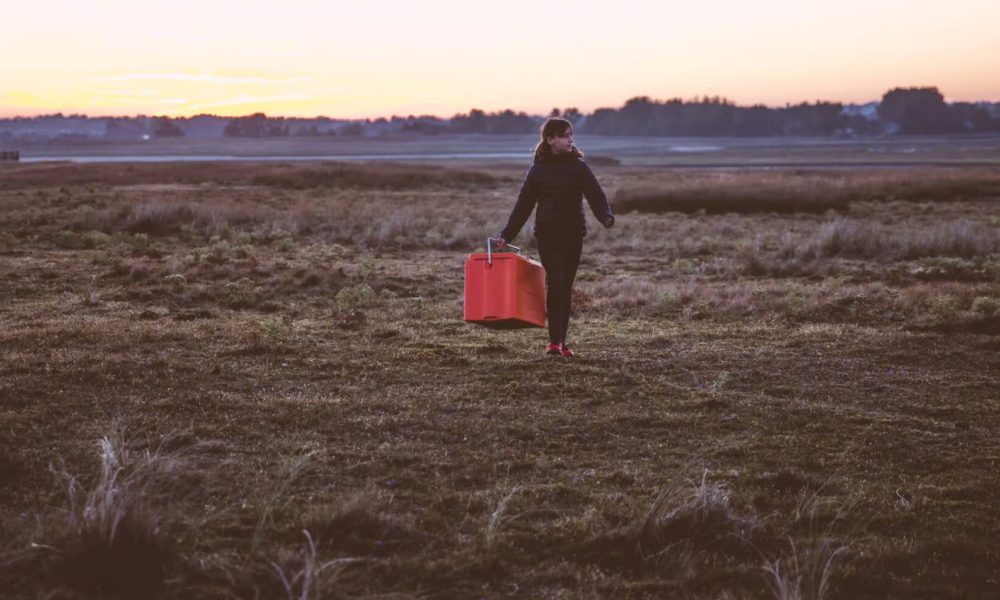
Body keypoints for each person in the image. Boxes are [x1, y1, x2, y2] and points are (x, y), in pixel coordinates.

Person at [495, 117, 614, 357]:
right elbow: (523, 205)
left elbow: (596, 194)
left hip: (573, 235)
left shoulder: (579, 167)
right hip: (548, 235)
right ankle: (553, 342)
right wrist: (506, 235)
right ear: (550, 139)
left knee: (565, 287)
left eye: (571, 135)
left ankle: (562, 341)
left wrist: (605, 216)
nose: (570, 139)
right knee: (557, 282)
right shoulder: (538, 170)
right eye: (565, 135)